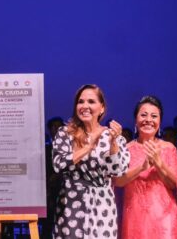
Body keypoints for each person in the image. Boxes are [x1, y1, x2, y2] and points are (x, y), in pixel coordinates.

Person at [52, 84, 130, 239]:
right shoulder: (65, 133)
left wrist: (113, 143)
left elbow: (118, 171)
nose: (85, 106)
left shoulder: (114, 136)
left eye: (91, 102)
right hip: (71, 203)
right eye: (81, 102)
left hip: (102, 206)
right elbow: (58, 164)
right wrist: (89, 146)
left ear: (102, 108)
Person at [114, 96, 177, 239]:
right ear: (135, 120)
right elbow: (118, 181)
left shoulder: (169, 148)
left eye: (154, 116)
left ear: (160, 122)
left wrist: (158, 163)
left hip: (165, 218)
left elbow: (174, 183)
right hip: (134, 217)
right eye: (143, 115)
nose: (148, 120)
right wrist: (142, 167)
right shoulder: (126, 149)